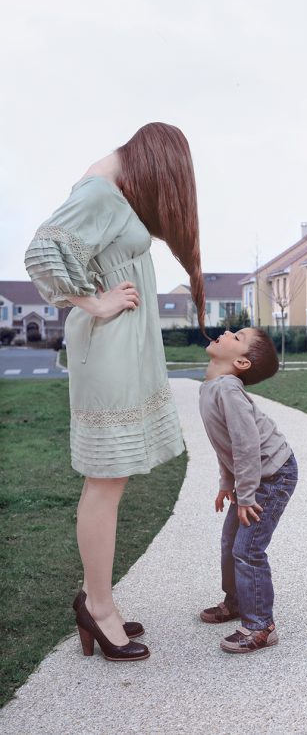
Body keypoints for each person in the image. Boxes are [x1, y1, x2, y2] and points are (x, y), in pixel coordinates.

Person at [24, 122, 207, 662]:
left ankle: (98, 598)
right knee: (105, 484)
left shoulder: (110, 189)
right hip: (108, 356)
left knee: (112, 481)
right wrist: (95, 303)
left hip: (121, 354)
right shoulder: (100, 190)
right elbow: (41, 252)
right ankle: (97, 609)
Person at [198, 327, 297, 653]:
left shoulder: (228, 390)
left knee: (248, 548)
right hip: (254, 476)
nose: (226, 331)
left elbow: (246, 444)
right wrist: (228, 484)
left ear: (240, 362)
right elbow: (225, 444)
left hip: (272, 474)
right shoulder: (212, 387)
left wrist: (248, 493)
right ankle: (238, 601)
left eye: (236, 336)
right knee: (230, 542)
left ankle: (261, 626)